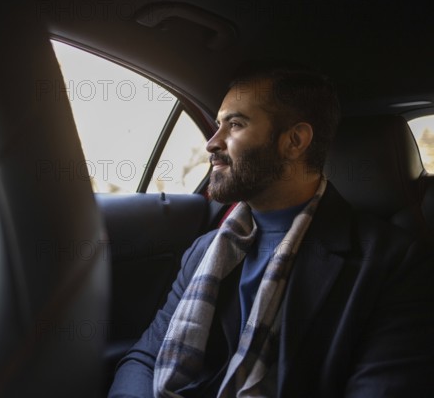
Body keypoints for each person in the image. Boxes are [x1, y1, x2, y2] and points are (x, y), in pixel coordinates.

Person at [108, 62, 434, 397]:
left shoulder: (396, 265)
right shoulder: (206, 249)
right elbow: (145, 358)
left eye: (235, 124)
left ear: (294, 141)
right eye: (218, 124)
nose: (212, 143)